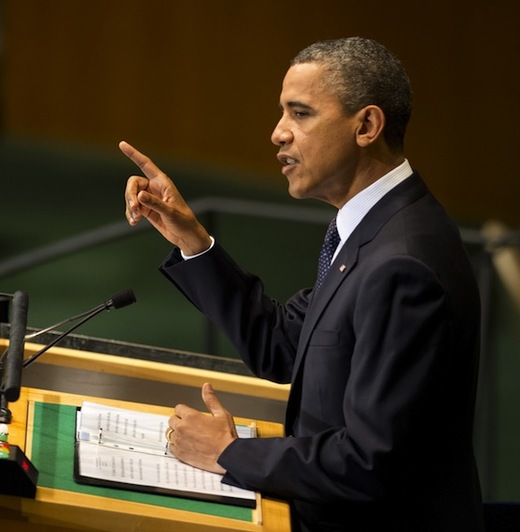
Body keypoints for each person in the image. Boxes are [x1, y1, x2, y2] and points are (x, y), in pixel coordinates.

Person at [121, 36, 484, 531]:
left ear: (367, 126)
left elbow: (369, 462)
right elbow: (281, 344)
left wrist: (230, 453)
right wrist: (194, 241)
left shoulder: (403, 264)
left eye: (301, 114)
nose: (278, 134)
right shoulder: (374, 229)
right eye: (282, 114)